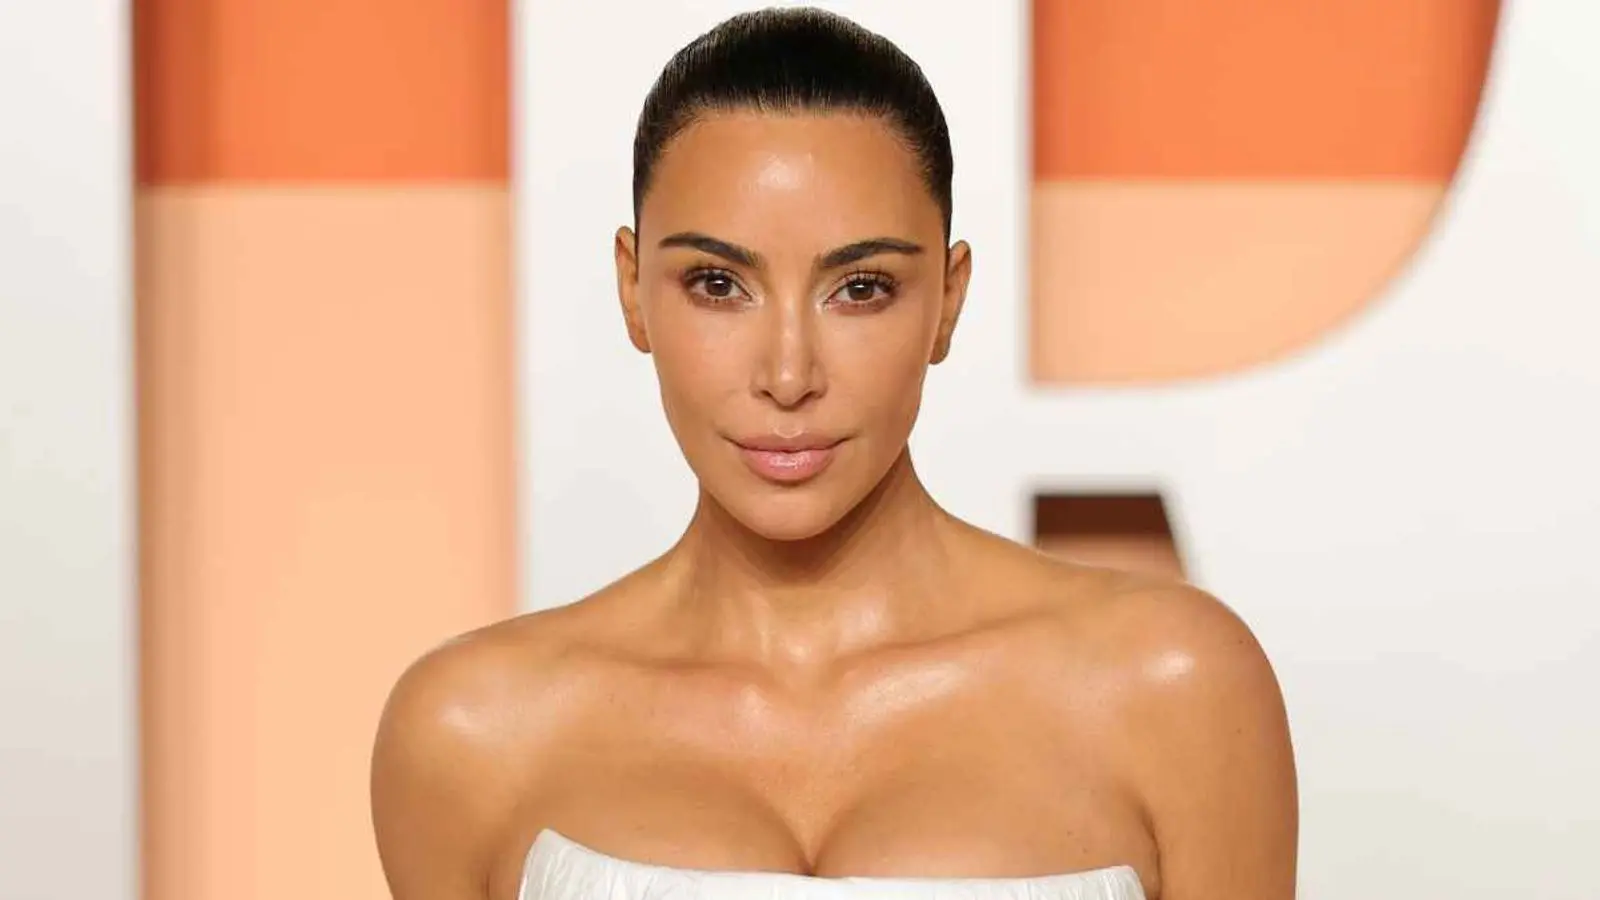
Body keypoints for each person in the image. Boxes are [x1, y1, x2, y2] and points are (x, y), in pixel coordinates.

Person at [371, 8, 1297, 899]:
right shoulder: (471, 733)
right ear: (631, 288)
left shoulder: (1172, 689)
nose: (787, 375)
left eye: (860, 288)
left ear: (948, 299)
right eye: (718, 283)